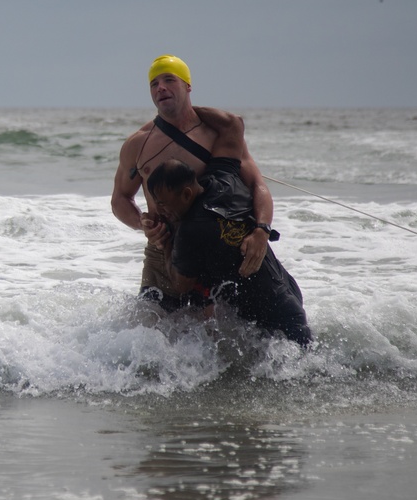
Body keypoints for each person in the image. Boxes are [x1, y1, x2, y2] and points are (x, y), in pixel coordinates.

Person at [112, 55, 274, 306]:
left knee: (225, 337)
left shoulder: (215, 133)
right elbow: (120, 199)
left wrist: (262, 231)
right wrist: (141, 224)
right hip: (165, 250)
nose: (160, 87)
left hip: (220, 244)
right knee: (151, 336)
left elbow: (257, 185)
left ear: (188, 86)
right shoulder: (138, 144)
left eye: (169, 79)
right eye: (154, 84)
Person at [144, 111, 311, 346]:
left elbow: (180, 285)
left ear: (186, 194)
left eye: (163, 203)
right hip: (289, 293)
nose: (161, 211)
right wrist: (185, 109)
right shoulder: (224, 180)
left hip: (264, 318)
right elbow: (233, 125)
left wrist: (166, 242)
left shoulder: (189, 231)